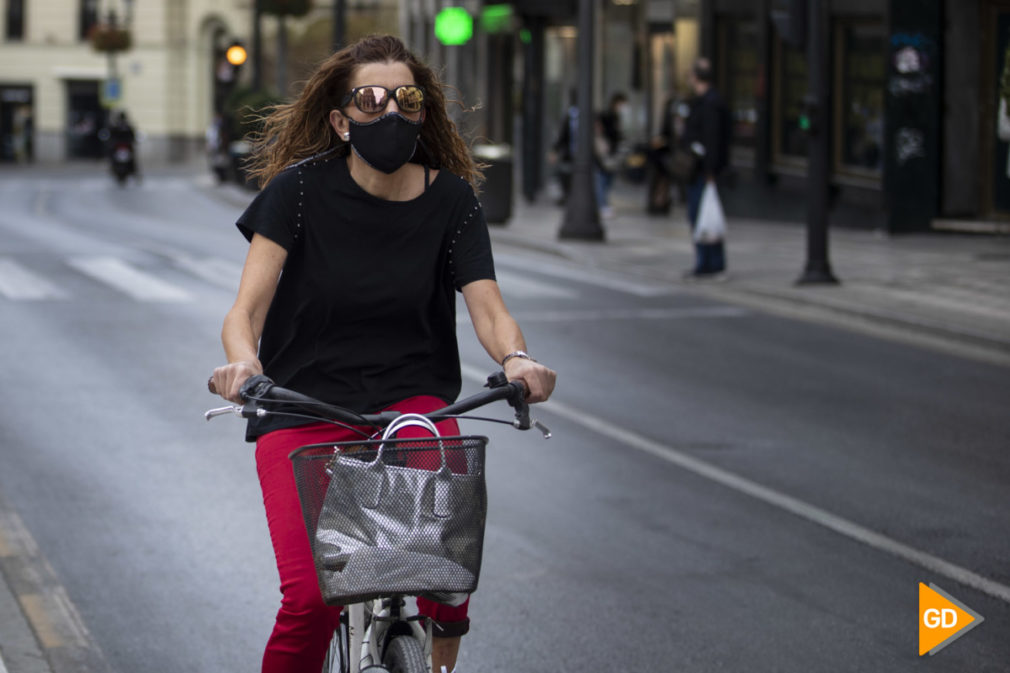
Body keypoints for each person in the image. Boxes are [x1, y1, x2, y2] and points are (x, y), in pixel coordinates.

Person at [208, 35, 557, 673]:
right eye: (370, 100)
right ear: (341, 120)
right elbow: (246, 312)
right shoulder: (299, 192)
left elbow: (487, 307)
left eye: (407, 98)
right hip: (303, 405)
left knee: (448, 564)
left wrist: (517, 360)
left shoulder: (451, 200)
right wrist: (245, 365)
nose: (389, 113)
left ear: (423, 112)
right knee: (312, 597)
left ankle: (440, 646)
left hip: (410, 404)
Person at [679, 58, 730, 278]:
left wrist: (710, 171)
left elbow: (712, 139)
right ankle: (710, 262)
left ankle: (707, 263)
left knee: (702, 217)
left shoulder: (709, 104)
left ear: (696, 77)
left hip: (703, 171)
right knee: (704, 217)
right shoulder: (704, 102)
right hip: (700, 170)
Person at [595, 92, 628, 218]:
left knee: (607, 180)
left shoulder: (616, 116)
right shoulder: (607, 115)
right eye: (622, 104)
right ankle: (602, 205)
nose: (624, 107)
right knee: (602, 180)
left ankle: (603, 204)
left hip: (613, 153)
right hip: (606, 153)